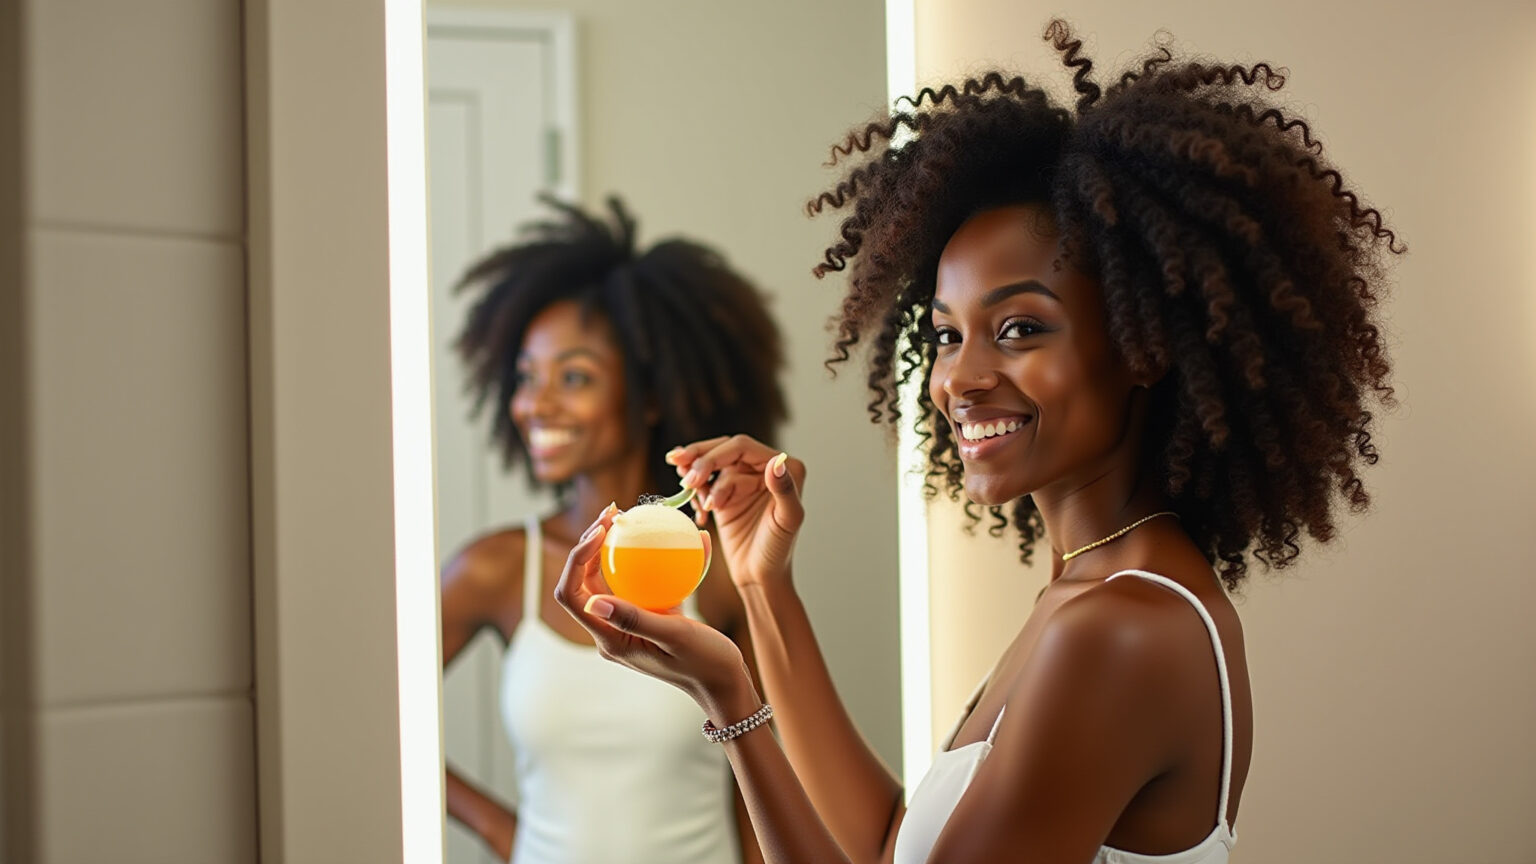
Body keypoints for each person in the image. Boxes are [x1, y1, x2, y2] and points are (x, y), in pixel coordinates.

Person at [556, 20, 1401, 864]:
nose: (959, 379)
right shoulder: (1090, 591)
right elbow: (889, 844)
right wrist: (765, 588)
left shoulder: (1119, 630)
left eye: (1021, 328)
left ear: (1145, 347)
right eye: (949, 335)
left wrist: (726, 695)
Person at [441, 195, 785, 864]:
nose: (535, 404)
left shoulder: (716, 571)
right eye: (525, 377)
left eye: (573, 377)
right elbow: (376, 702)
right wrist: (495, 828)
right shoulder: (499, 569)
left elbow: (761, 770)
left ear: (651, 394)